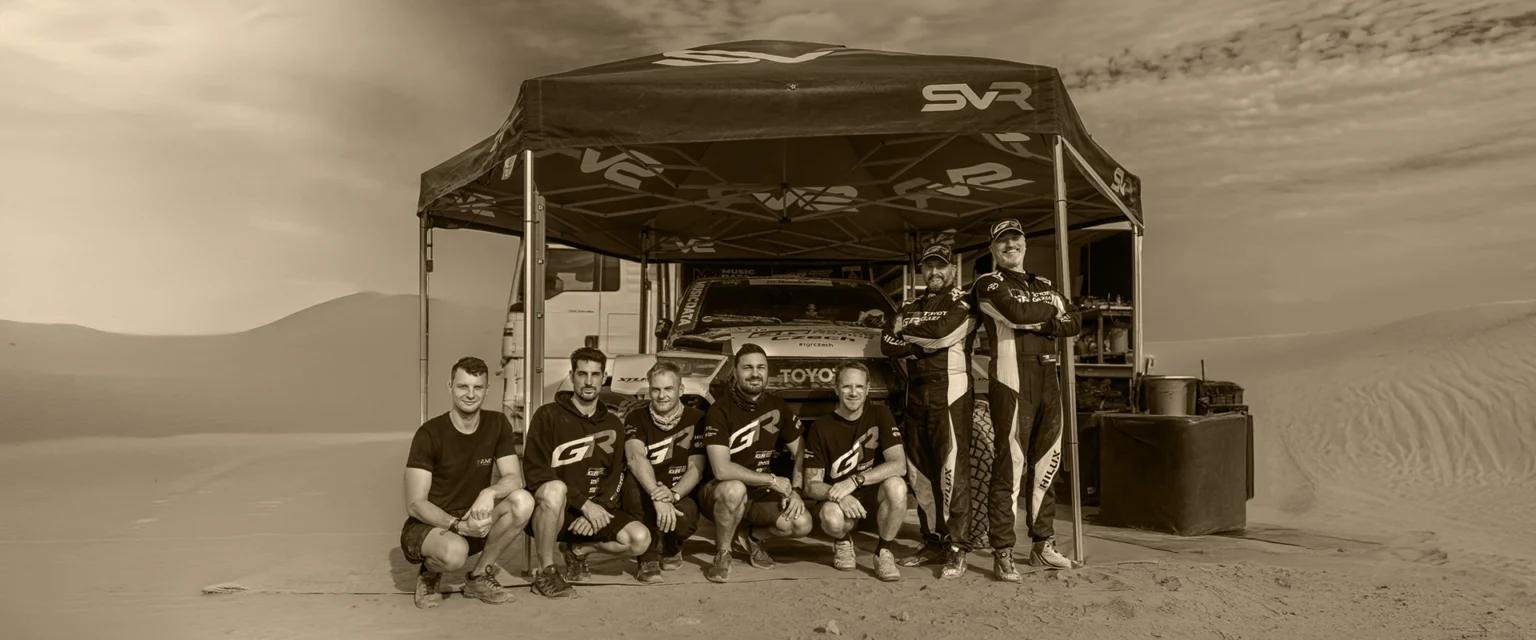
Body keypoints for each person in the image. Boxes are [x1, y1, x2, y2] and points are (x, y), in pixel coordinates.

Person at [971, 218, 1083, 580]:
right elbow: (1017, 314)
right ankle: (1002, 550)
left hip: (1049, 379)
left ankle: (1042, 545)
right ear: (993, 248)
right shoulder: (988, 283)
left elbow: (1075, 320)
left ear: (1025, 243)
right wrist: (1052, 313)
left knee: (1047, 463)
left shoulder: (1044, 284)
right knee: (1010, 466)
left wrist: (1044, 321)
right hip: (1011, 381)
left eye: (1015, 239)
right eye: (1002, 241)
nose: (1010, 245)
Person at [401, 356, 535, 609]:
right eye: (463, 386)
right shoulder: (429, 434)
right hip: (431, 524)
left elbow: (514, 478)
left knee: (523, 501)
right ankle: (430, 573)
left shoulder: (497, 424)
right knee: (454, 554)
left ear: (487, 389)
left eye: (477, 387)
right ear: (450, 387)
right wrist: (459, 526)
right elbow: (415, 504)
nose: (471, 394)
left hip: (473, 517)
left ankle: (478, 577)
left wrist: (489, 492)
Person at [882, 242, 979, 579]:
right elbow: (886, 344)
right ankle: (934, 541)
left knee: (952, 471)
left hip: (950, 390)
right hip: (915, 392)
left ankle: (958, 547)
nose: (934, 272)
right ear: (922, 270)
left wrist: (907, 337)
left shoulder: (963, 301)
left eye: (941, 266)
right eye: (928, 266)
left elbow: (942, 332)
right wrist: (920, 343)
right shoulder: (908, 305)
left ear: (952, 269)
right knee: (919, 473)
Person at [522, 347, 652, 598]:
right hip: (554, 512)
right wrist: (583, 504)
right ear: (572, 376)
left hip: (595, 511)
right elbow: (536, 472)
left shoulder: (613, 424)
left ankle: (578, 551)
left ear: (604, 378)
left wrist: (598, 507)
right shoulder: (548, 415)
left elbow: (616, 475)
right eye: (582, 374)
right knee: (553, 491)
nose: (589, 382)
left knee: (639, 540)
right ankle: (545, 572)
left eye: (595, 375)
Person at [697, 342, 814, 583]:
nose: (755, 373)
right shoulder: (719, 410)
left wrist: (796, 491)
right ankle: (723, 553)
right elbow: (722, 469)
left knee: (801, 524)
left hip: (759, 492)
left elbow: (802, 452)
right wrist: (772, 480)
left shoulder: (778, 406)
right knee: (734, 488)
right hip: (718, 491)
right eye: (747, 367)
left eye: (761, 367)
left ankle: (750, 536)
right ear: (735, 372)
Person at [802, 362, 908, 581]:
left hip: (873, 499)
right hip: (841, 503)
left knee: (897, 486)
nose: (853, 392)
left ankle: (883, 551)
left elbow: (899, 464)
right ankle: (842, 541)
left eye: (859, 386)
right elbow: (811, 485)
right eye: (847, 386)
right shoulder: (820, 428)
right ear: (836, 389)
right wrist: (839, 496)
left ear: (868, 389)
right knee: (830, 516)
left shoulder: (880, 414)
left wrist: (855, 480)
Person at [621, 361, 707, 584]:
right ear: (649, 390)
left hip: (679, 490)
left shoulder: (697, 418)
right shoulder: (636, 417)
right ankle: (648, 557)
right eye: (656, 389)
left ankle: (671, 546)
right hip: (645, 488)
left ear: (681, 389)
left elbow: (696, 467)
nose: (661, 396)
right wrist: (657, 495)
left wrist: (674, 494)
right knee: (631, 485)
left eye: (668, 389)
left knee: (685, 518)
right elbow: (635, 458)